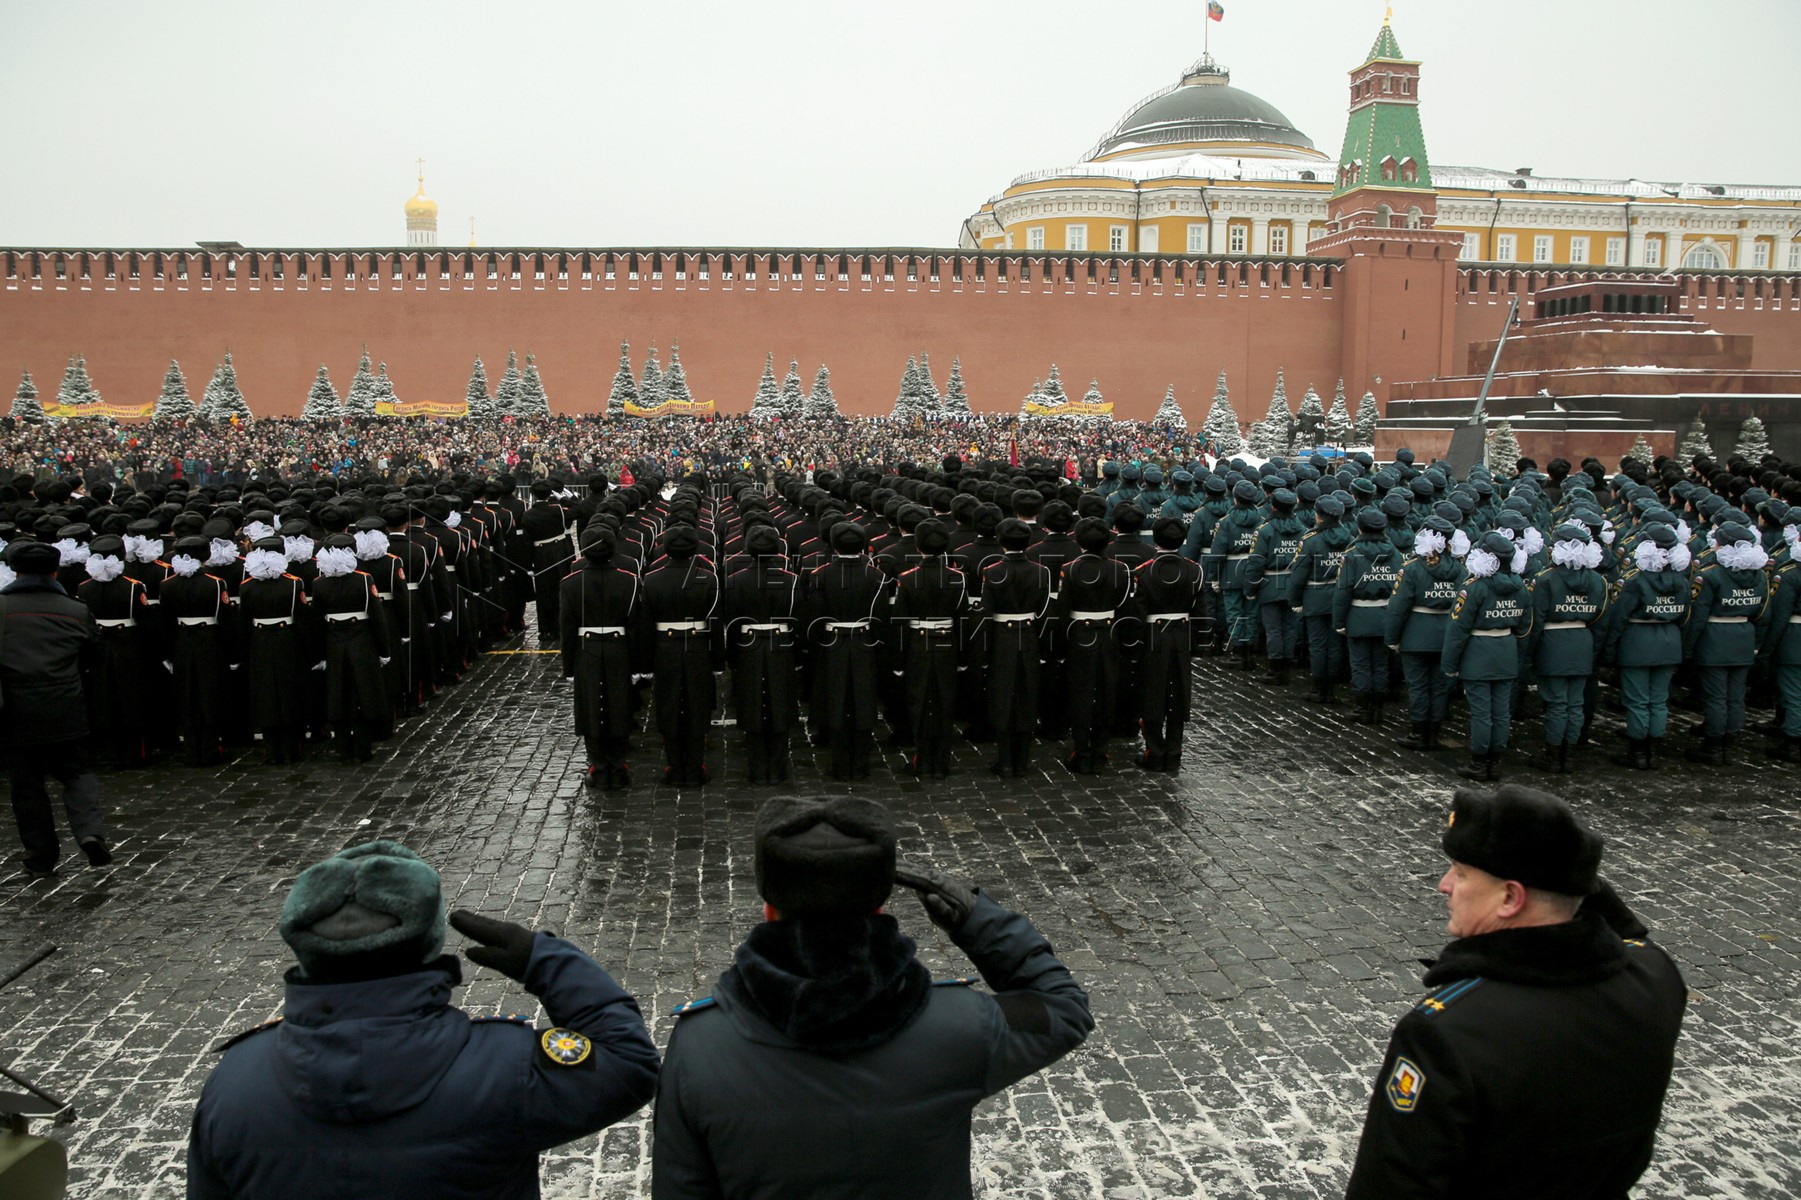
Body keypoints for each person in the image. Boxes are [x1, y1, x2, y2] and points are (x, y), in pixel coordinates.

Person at [651, 797, 1092, 1200]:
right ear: (879, 907)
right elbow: (1061, 1009)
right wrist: (979, 919)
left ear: (769, 907)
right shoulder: (960, 1026)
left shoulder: (699, 1047)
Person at [187, 839, 658, 1199]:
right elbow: (629, 1062)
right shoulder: (504, 1067)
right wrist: (544, 959)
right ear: (428, 940)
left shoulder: (233, 1085)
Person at [1344, 785, 1686, 1199]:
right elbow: (1629, 934)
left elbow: (1392, 1184)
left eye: (1461, 872)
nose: (1444, 884)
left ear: (1510, 897)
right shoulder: (1655, 977)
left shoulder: (1449, 1034)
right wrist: (1571, 879)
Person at [1, 540, 111, 877]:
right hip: (65, 706)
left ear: (15, 571)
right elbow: (95, 655)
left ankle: (40, 856)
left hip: (15, 710)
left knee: (27, 786)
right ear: (54, 571)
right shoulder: (74, 609)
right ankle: (90, 832)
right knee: (77, 774)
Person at [559, 526, 646, 789]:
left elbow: (567, 628)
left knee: (590, 707)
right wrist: (639, 663)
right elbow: (636, 626)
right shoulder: (630, 580)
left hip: (587, 650)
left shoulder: (570, 583)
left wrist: (569, 666)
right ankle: (618, 764)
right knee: (619, 704)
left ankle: (598, 763)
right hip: (619, 649)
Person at [1442, 531, 1532, 780]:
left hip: (1478, 653)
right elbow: (1525, 627)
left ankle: (1479, 762)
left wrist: (1450, 664)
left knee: (1482, 711)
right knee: (1501, 710)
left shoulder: (1474, 588)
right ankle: (1496, 759)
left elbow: (1458, 629)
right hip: (1506, 650)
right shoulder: (1520, 587)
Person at [1600, 523, 1691, 770]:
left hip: (1637, 643)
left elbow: (1618, 619)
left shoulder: (1634, 580)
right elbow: (1685, 616)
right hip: (1669, 641)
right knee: (1659, 699)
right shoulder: (1682, 580)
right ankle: (1653, 749)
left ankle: (1638, 752)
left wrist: (1609, 651)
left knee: (1638, 700)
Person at [1524, 523, 1609, 774]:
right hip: (1583, 642)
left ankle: (1553, 754)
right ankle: (1569, 754)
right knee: (1575, 703)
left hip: (1553, 644)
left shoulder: (1545, 579)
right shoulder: (1598, 580)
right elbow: (1601, 621)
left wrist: (1530, 654)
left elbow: (1536, 621)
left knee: (1557, 703)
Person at [1682, 522, 1770, 765]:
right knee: (1735, 696)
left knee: (1716, 697)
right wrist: (1756, 643)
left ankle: (1713, 746)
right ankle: (1729, 743)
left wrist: (1688, 649)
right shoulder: (1760, 575)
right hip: (1743, 638)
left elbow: (1697, 618)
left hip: (1715, 639)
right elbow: (1763, 614)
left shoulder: (1709, 575)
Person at [1385, 514, 1462, 749]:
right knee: (1439, 686)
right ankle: (1434, 732)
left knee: (1418, 685)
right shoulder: (1461, 569)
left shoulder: (1411, 568)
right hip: (1447, 635)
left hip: (1415, 635)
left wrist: (1392, 638)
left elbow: (1398, 608)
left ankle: (1418, 732)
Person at [1133, 517, 1204, 771]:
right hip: (1181, 636)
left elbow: (1138, 615)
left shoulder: (1143, 571)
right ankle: (1174, 751)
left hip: (1154, 635)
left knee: (1152, 693)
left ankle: (1155, 750)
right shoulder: (1194, 570)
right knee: (1178, 694)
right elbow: (1200, 611)